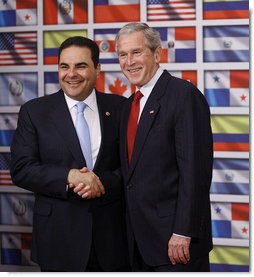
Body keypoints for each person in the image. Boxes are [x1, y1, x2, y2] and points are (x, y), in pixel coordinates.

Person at [10, 36, 130, 272]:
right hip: (58, 240)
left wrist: (100, 183)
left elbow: (133, 166)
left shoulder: (120, 108)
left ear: (97, 69)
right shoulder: (34, 111)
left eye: (81, 66)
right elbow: (21, 169)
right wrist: (70, 176)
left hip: (113, 240)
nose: (71, 74)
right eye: (65, 66)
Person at [114, 22, 213, 272]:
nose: (129, 61)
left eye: (136, 52)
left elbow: (196, 172)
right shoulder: (128, 106)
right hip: (137, 243)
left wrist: (183, 231)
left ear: (157, 53)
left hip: (175, 243)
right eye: (123, 55)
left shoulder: (183, 96)